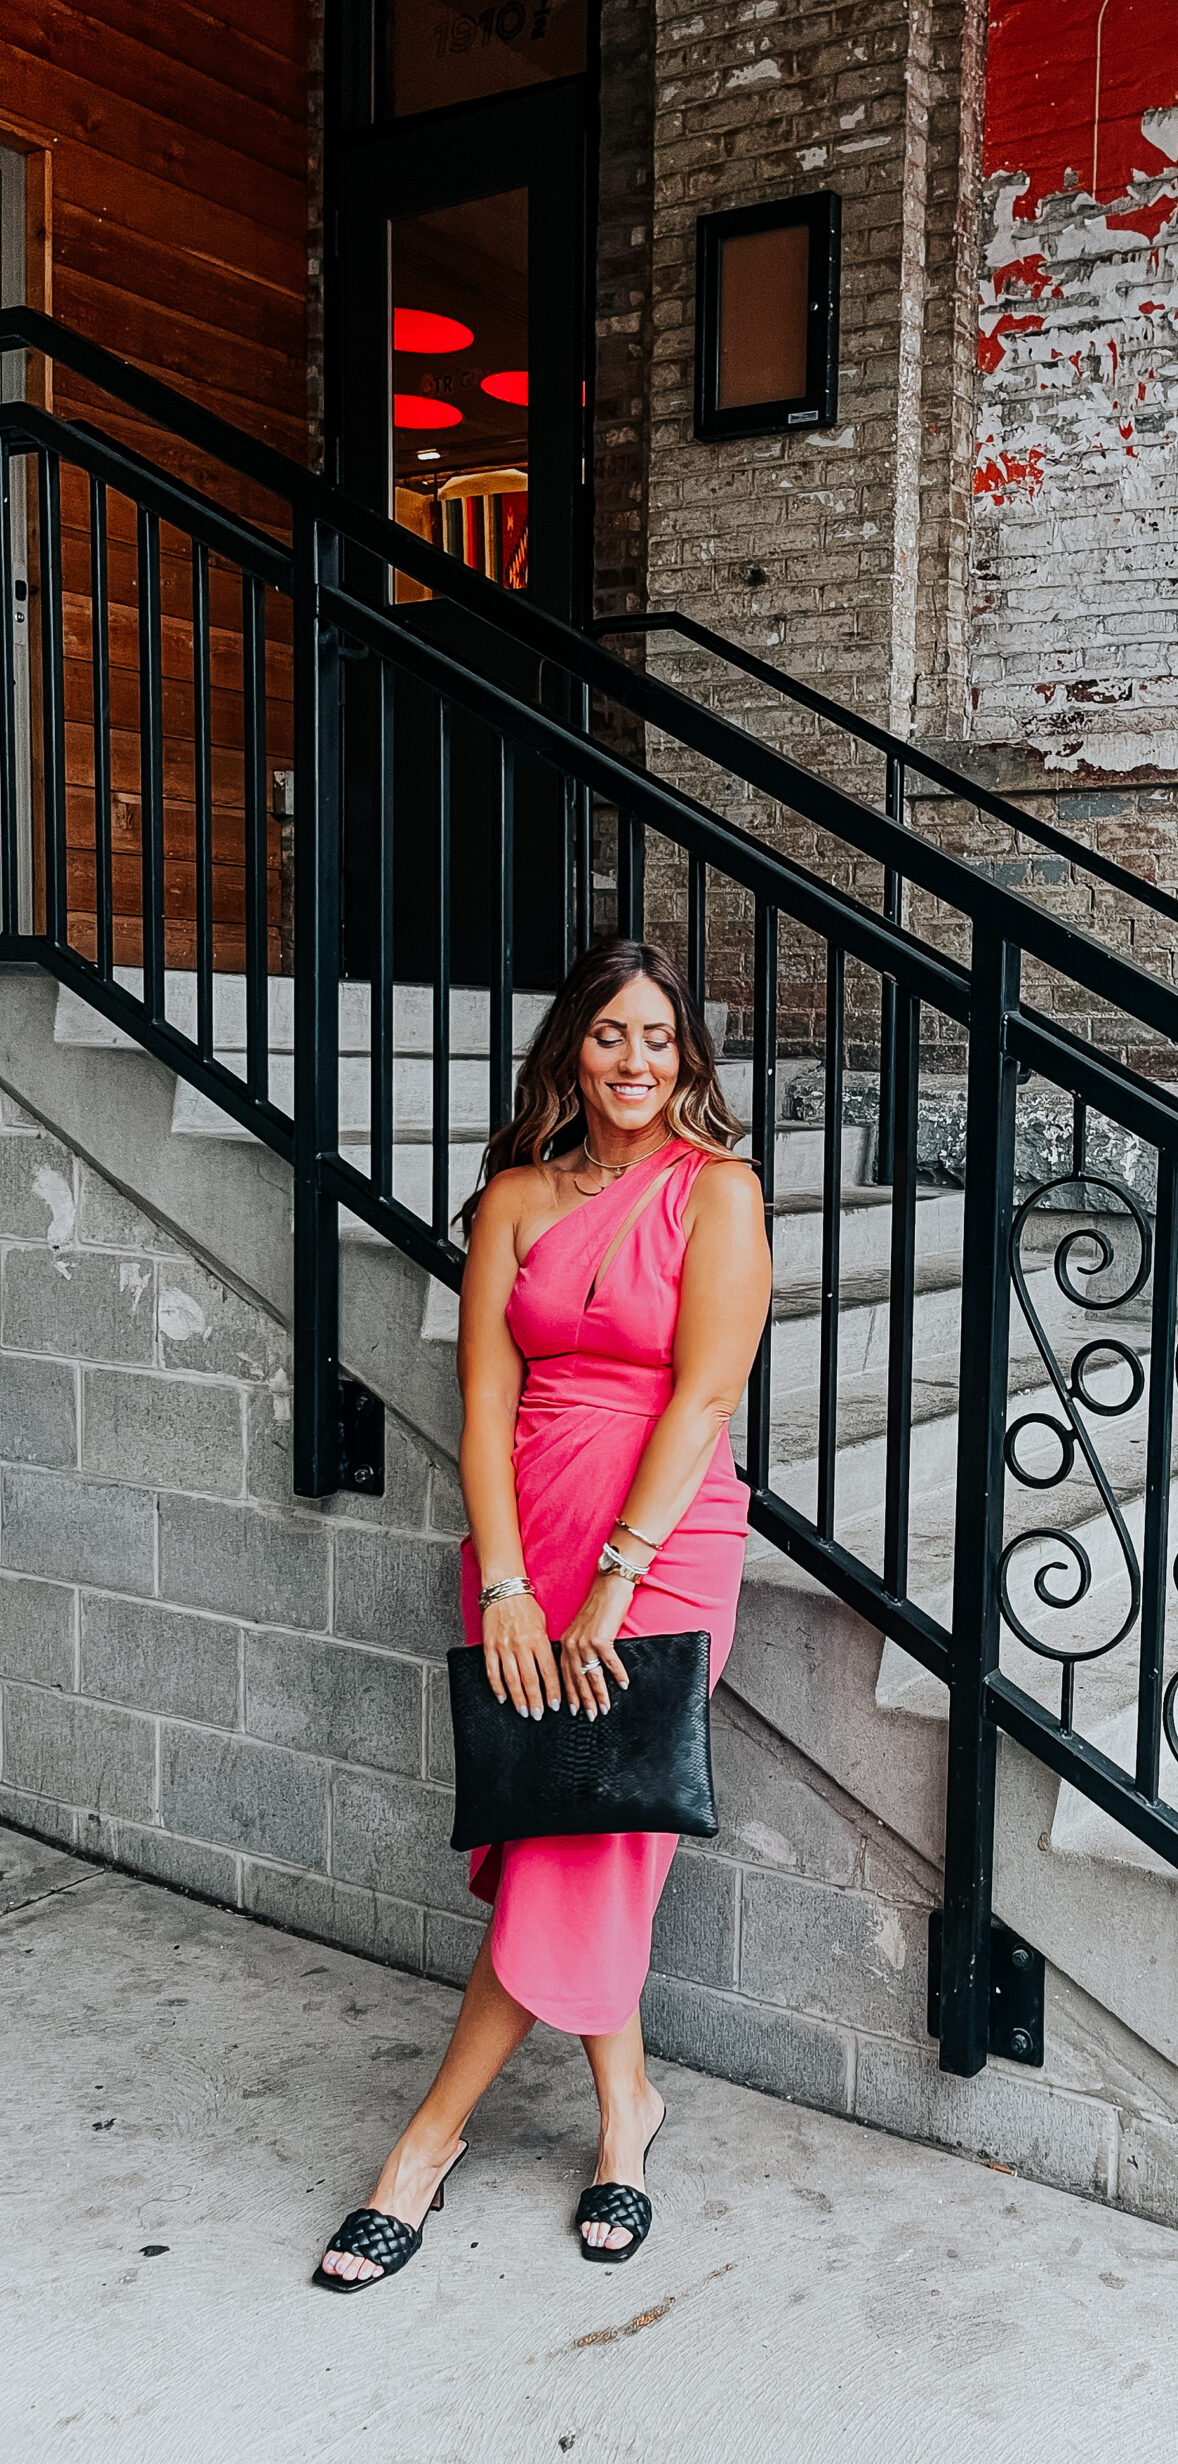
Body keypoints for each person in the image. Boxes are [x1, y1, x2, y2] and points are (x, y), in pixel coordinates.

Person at [314, 937, 771, 2289]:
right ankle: (626, 2116)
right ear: (573, 1049)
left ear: (688, 1055)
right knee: (556, 1834)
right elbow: (485, 1406)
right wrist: (507, 1583)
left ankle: (423, 2148)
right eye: (610, 1036)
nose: (636, 1062)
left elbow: (703, 1399)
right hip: (526, 1542)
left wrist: (618, 1582)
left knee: (583, 1846)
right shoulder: (512, 1198)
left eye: (660, 1039)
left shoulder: (721, 1193)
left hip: (663, 1541)